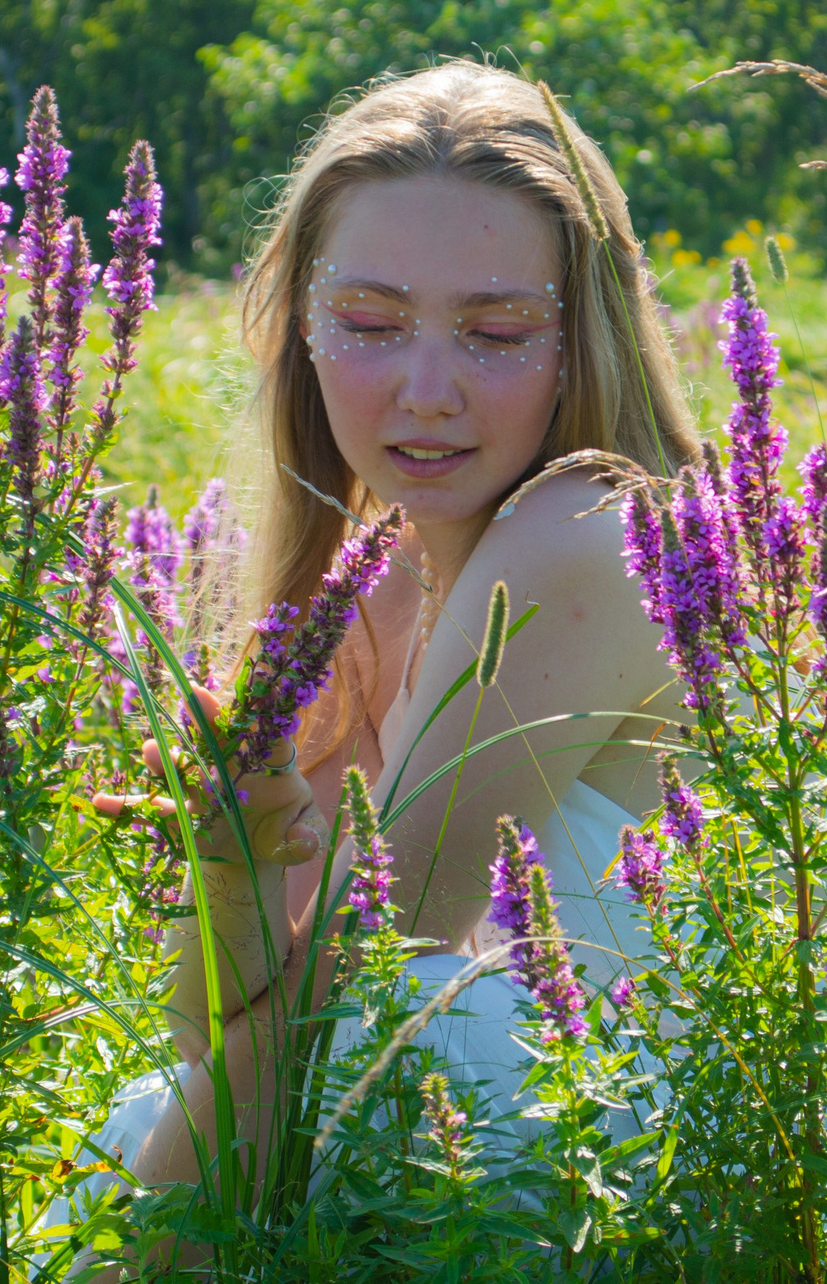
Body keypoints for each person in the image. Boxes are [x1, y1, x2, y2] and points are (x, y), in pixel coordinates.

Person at [73, 59, 702, 1217]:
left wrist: (127, 1263)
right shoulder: (378, 593)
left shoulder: (591, 534)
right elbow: (217, 1024)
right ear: (298, 331)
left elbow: (328, 1002)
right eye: (369, 322)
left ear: (585, 339)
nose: (425, 389)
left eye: (497, 329)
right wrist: (240, 853)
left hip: (637, 1199)